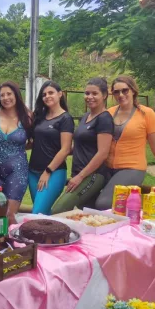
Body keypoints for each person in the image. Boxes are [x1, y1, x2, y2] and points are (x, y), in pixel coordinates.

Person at [95, 75, 155, 210]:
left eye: (125, 90)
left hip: (132, 167)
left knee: (104, 203)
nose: (121, 95)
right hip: (107, 166)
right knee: (88, 200)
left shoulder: (147, 114)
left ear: (133, 90)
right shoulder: (109, 113)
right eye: (116, 92)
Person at [51, 78, 114, 214]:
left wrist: (80, 176)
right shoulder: (86, 116)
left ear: (104, 95)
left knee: (59, 210)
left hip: (92, 175)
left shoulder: (104, 118)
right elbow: (81, 145)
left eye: (94, 93)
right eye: (86, 93)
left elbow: (103, 153)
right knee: (86, 213)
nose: (89, 97)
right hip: (78, 172)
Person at [0, 81, 32, 224]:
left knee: (9, 215)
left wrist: (16, 149)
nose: (6, 98)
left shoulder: (27, 116)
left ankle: (12, 245)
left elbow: (33, 141)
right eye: (2, 95)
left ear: (16, 95)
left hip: (17, 170)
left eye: (9, 94)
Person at [28, 81, 74, 215]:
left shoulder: (65, 118)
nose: (47, 96)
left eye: (51, 93)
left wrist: (48, 171)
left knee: (37, 213)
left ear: (60, 94)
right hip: (33, 172)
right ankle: (50, 236)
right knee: (44, 213)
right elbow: (33, 142)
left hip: (53, 173)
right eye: (44, 94)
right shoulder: (39, 117)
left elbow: (65, 149)